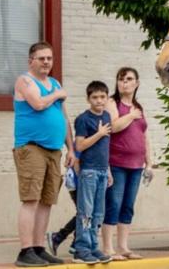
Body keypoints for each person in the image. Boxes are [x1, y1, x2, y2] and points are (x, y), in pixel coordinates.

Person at [13, 41, 72, 267]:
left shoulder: (55, 83)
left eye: (49, 58)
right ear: (31, 61)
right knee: (31, 199)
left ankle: (38, 248)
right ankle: (25, 251)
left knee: (47, 201)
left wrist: (71, 149)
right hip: (31, 148)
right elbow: (37, 104)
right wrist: (57, 94)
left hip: (54, 151)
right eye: (42, 58)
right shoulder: (25, 81)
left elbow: (65, 120)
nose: (47, 62)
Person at [101, 67, 154, 260]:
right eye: (121, 79)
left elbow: (145, 135)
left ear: (137, 83)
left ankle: (123, 247)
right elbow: (113, 127)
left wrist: (149, 162)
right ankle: (108, 248)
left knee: (128, 206)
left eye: (129, 79)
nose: (124, 82)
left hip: (136, 165)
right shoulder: (112, 103)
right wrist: (130, 116)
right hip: (116, 163)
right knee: (113, 204)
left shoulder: (139, 107)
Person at [72, 81, 114, 264]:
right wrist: (98, 133)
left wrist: (109, 170)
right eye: (95, 97)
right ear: (88, 99)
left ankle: (93, 246)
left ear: (107, 97)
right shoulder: (83, 119)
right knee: (86, 212)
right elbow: (79, 145)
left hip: (103, 171)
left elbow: (106, 147)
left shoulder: (107, 116)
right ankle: (81, 248)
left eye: (102, 97)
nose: (99, 101)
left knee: (98, 213)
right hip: (88, 171)